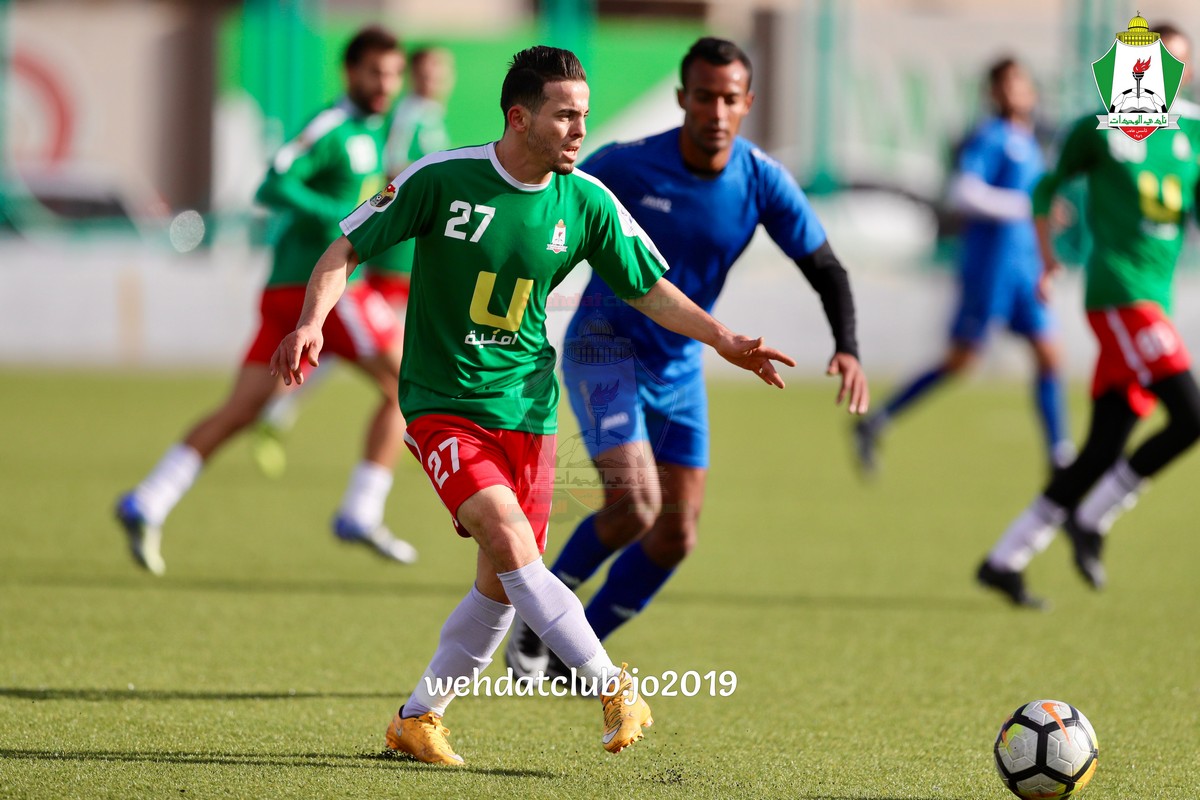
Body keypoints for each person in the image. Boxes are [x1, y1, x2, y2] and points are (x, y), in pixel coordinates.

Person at [270, 45, 796, 765]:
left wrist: (723, 338)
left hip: (529, 413)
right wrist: (312, 321)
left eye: (584, 114)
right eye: (565, 115)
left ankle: (418, 719)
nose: (580, 129)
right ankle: (613, 687)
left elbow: (647, 287)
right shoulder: (442, 178)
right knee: (512, 542)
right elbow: (345, 248)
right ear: (519, 118)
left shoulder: (586, 200)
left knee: (500, 586)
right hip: (444, 406)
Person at [502, 37, 868, 684]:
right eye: (704, 96)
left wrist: (848, 346)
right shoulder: (627, 165)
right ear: (682, 99)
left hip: (678, 365)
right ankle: (538, 617)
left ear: (748, 102)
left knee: (676, 536)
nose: (716, 111)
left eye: (729, 98)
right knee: (636, 505)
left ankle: (572, 656)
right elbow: (541, 197)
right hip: (605, 349)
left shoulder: (761, 179)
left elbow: (824, 265)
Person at [114, 26, 417, 574]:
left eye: (393, 74)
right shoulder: (332, 125)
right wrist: (337, 216)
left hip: (285, 291)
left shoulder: (373, 131)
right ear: (350, 72)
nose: (385, 84)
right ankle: (361, 510)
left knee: (242, 409)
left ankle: (149, 499)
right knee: (408, 384)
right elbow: (271, 185)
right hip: (321, 291)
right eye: (375, 72)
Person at [976, 23, 1200, 608]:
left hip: (1156, 301)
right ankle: (1095, 516)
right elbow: (1044, 190)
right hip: (1120, 295)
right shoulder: (1098, 129)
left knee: (1104, 445)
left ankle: (1005, 559)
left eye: (1173, 64)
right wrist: (1048, 258)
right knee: (1191, 415)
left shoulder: (1193, 133)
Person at [854, 57, 1072, 476]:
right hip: (989, 268)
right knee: (962, 360)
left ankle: (1060, 454)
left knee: (1050, 353)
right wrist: (1028, 206)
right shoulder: (991, 137)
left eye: (1019, 83)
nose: (1013, 91)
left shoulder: (1031, 140)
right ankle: (877, 420)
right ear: (992, 93)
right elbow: (964, 193)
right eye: (1004, 84)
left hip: (1024, 268)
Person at [251, 47, 457, 476]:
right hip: (387, 255)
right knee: (397, 367)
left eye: (440, 72)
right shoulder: (402, 116)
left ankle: (281, 410)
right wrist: (361, 213)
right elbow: (393, 172)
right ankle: (367, 487)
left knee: (355, 346)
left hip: (399, 253)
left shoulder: (428, 116)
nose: (433, 79)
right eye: (426, 71)